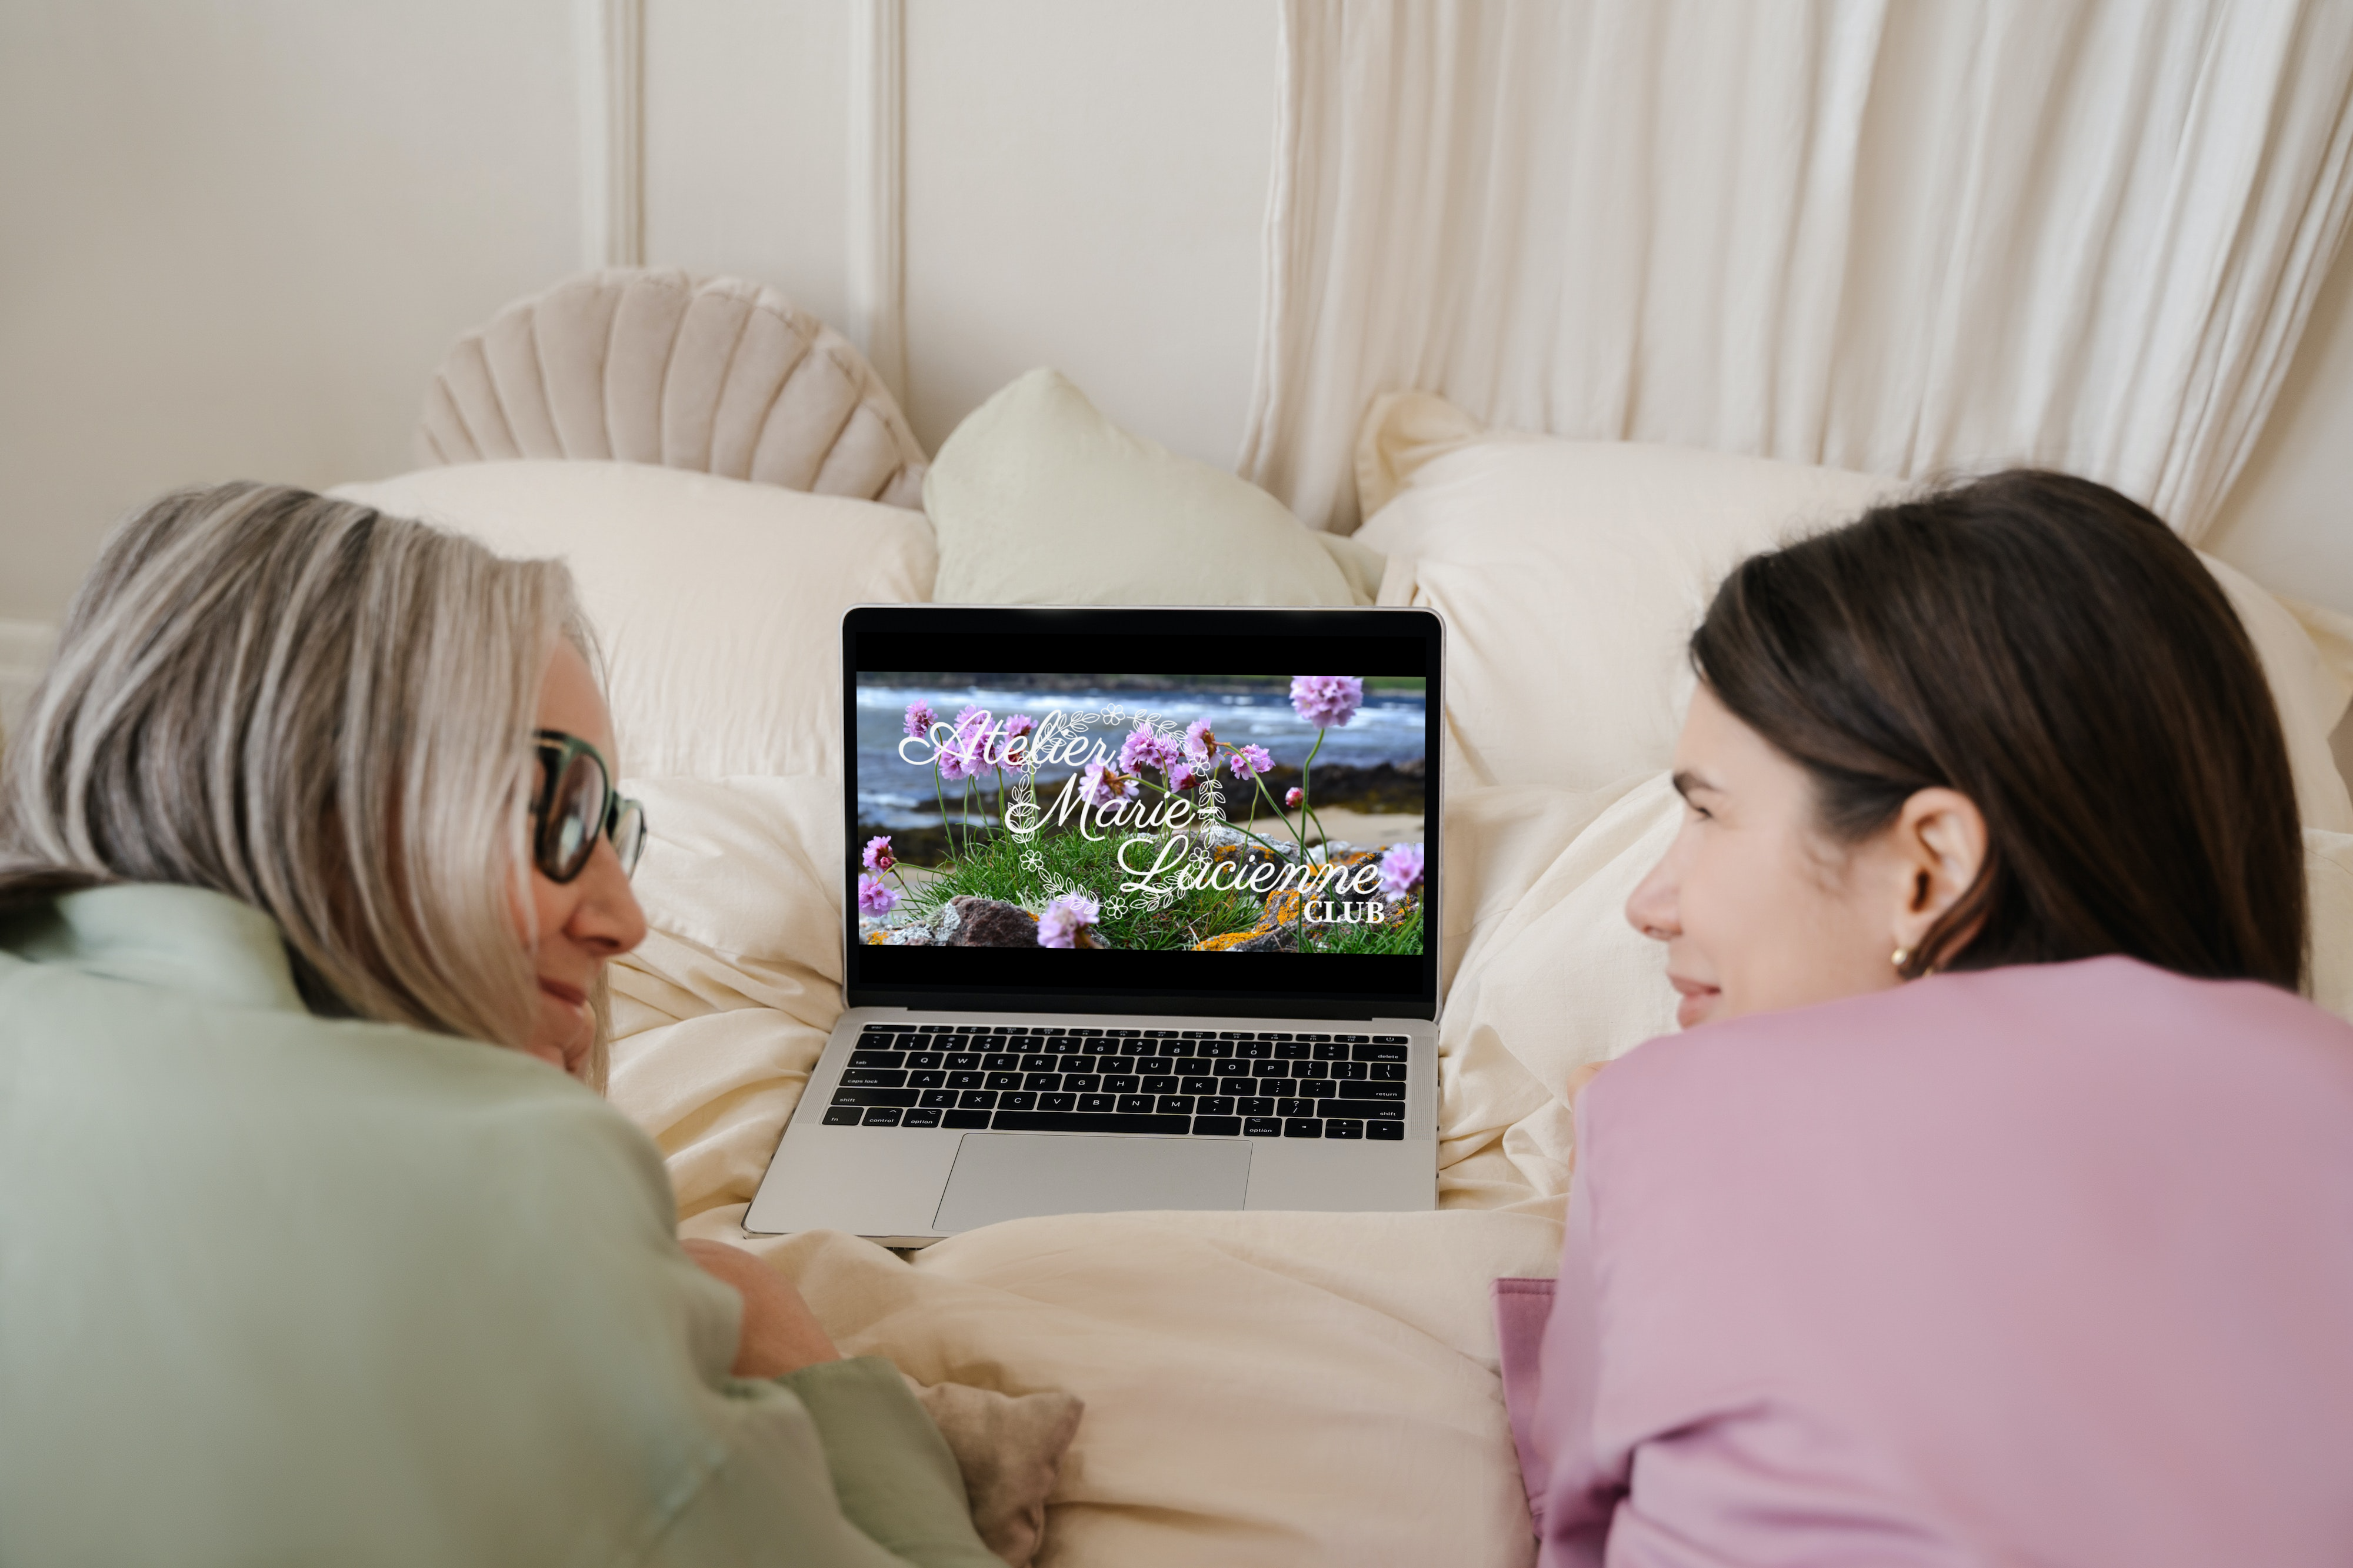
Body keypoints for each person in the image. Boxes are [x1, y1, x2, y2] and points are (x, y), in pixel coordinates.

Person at [0, 483, 999, 1567]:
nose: (627, 921)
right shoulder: (509, 1179)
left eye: (616, 829)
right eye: (561, 811)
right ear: (308, 776)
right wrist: (781, 1332)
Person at [1508, 471, 2353, 1565]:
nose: (1648, 901)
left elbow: (1576, 1530)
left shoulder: (1664, 1119)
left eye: (1708, 815)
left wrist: (1620, 1180)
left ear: (1932, 867)